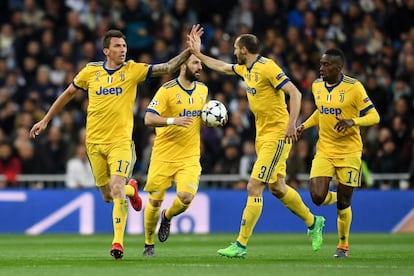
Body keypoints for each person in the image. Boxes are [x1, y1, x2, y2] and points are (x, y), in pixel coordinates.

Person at [29, 26, 203, 259]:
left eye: (124, 46)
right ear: (106, 51)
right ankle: (132, 190)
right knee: (108, 195)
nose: (123, 50)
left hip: (120, 143)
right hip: (94, 143)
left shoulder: (133, 70)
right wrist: (46, 119)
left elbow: (168, 67)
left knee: (116, 187)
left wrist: (188, 51)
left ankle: (117, 243)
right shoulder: (90, 72)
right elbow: (68, 94)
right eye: (118, 46)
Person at [189, 33, 325, 258]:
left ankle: (240, 245)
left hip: (278, 135)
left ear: (244, 50)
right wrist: (197, 53)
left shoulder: (267, 67)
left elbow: (295, 92)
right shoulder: (246, 69)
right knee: (278, 188)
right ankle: (314, 222)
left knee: (253, 186)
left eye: (235, 48)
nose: (233, 52)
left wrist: (292, 124)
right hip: (262, 136)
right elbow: (222, 67)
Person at [297, 48, 380, 258]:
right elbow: (321, 111)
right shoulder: (317, 86)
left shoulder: (354, 87)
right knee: (317, 197)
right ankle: (341, 196)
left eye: (326, 65)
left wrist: (355, 121)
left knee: (344, 204)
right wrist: (303, 126)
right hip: (325, 148)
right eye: (321, 64)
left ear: (338, 67)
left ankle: (343, 245)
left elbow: (374, 116)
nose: (321, 68)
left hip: (350, 151)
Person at [142, 54, 209, 257]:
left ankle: (168, 215)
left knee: (186, 197)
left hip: (189, 157)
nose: (200, 67)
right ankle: (148, 244)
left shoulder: (203, 90)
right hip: (163, 155)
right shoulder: (167, 90)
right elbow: (148, 118)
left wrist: (213, 119)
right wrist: (173, 121)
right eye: (195, 63)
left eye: (200, 63)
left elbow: (199, 119)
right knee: (154, 202)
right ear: (183, 66)